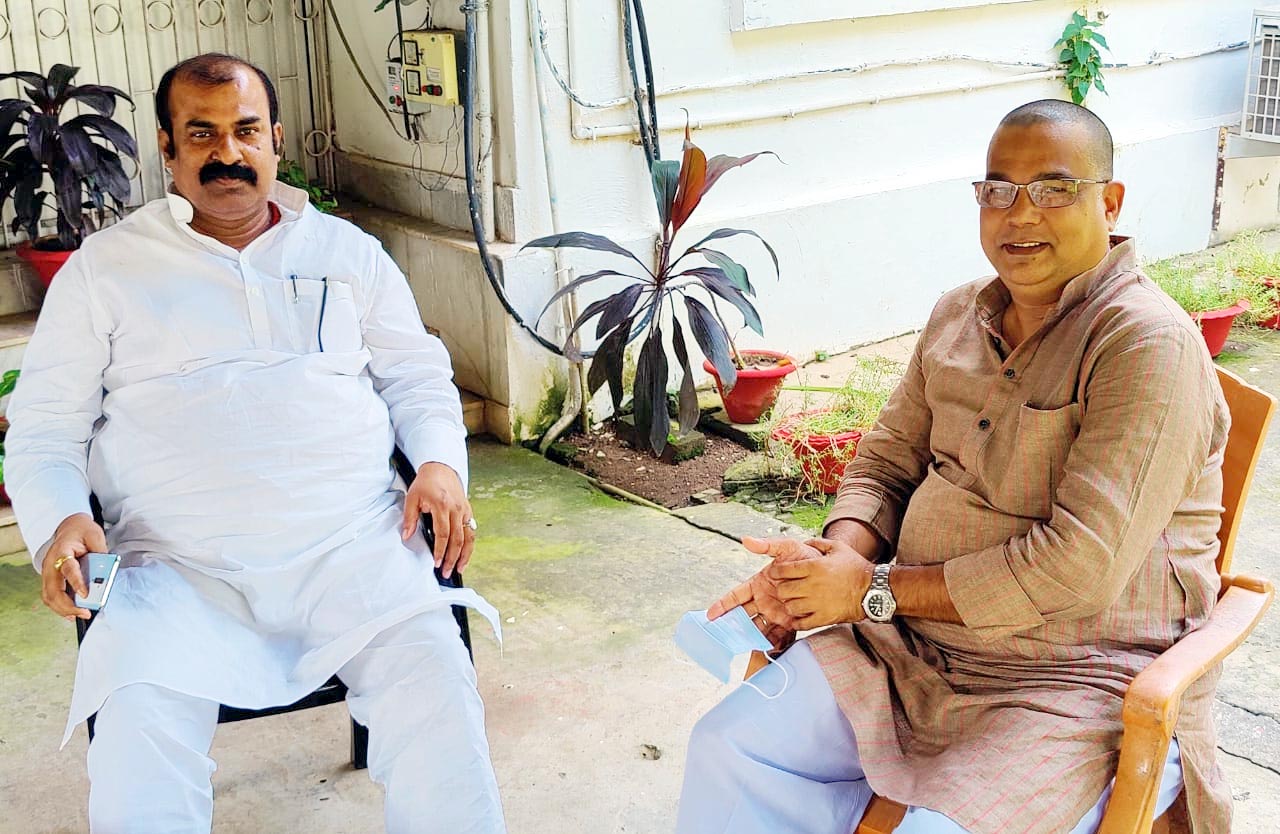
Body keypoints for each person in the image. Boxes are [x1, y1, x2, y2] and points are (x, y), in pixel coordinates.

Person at [676, 99, 1231, 834]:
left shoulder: (1144, 344)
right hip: (910, 647)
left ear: (1110, 201)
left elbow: (1077, 567)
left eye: (1053, 189)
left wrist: (867, 592)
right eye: (998, 189)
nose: (1020, 214)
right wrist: (829, 569)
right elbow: (884, 464)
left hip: (1073, 681)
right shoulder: (956, 315)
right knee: (729, 750)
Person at [7, 53, 506, 834]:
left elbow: (416, 377)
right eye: (201, 134)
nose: (228, 153)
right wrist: (61, 522)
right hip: (172, 566)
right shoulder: (105, 270)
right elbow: (45, 424)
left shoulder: (347, 253)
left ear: (275, 138)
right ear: (168, 149)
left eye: (245, 130)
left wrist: (439, 465)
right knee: (137, 730)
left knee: (437, 695)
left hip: (354, 549)